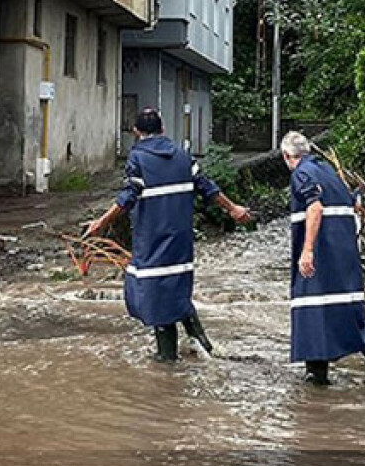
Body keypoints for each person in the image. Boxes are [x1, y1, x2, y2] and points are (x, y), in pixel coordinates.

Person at [84, 108, 251, 361]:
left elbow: (128, 197)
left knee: (153, 294)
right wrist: (233, 209)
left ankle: (167, 361)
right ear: (162, 129)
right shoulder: (184, 157)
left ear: (137, 132)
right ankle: (202, 344)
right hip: (181, 239)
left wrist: (101, 222)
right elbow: (207, 187)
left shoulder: (138, 158)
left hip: (152, 239)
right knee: (175, 287)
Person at [281, 131, 365, 389]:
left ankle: (318, 377)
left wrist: (307, 251)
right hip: (343, 256)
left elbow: (315, 208)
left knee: (311, 309)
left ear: (286, 156)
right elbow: (355, 204)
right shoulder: (328, 171)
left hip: (322, 256)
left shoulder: (301, 174)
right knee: (345, 310)